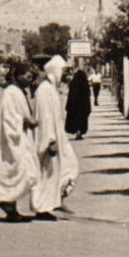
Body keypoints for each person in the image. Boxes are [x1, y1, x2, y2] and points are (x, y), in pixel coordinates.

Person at [0, 66, 40, 222]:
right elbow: (9, 117)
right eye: (28, 76)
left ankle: (11, 206)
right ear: (18, 75)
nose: (30, 79)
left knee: (23, 172)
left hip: (20, 136)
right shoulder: (11, 92)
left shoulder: (19, 91)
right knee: (16, 171)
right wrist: (26, 120)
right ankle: (8, 205)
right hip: (12, 139)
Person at [32, 56, 79, 218]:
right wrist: (50, 141)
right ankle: (43, 208)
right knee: (47, 174)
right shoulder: (44, 90)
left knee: (68, 167)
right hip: (49, 139)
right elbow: (44, 117)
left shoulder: (51, 89)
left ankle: (55, 200)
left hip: (57, 138)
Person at [65, 68, 92, 140]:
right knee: (82, 120)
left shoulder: (72, 83)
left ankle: (77, 132)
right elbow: (87, 96)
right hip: (83, 106)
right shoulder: (85, 84)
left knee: (75, 120)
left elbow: (70, 95)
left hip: (74, 106)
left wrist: (68, 106)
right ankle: (80, 132)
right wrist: (88, 107)